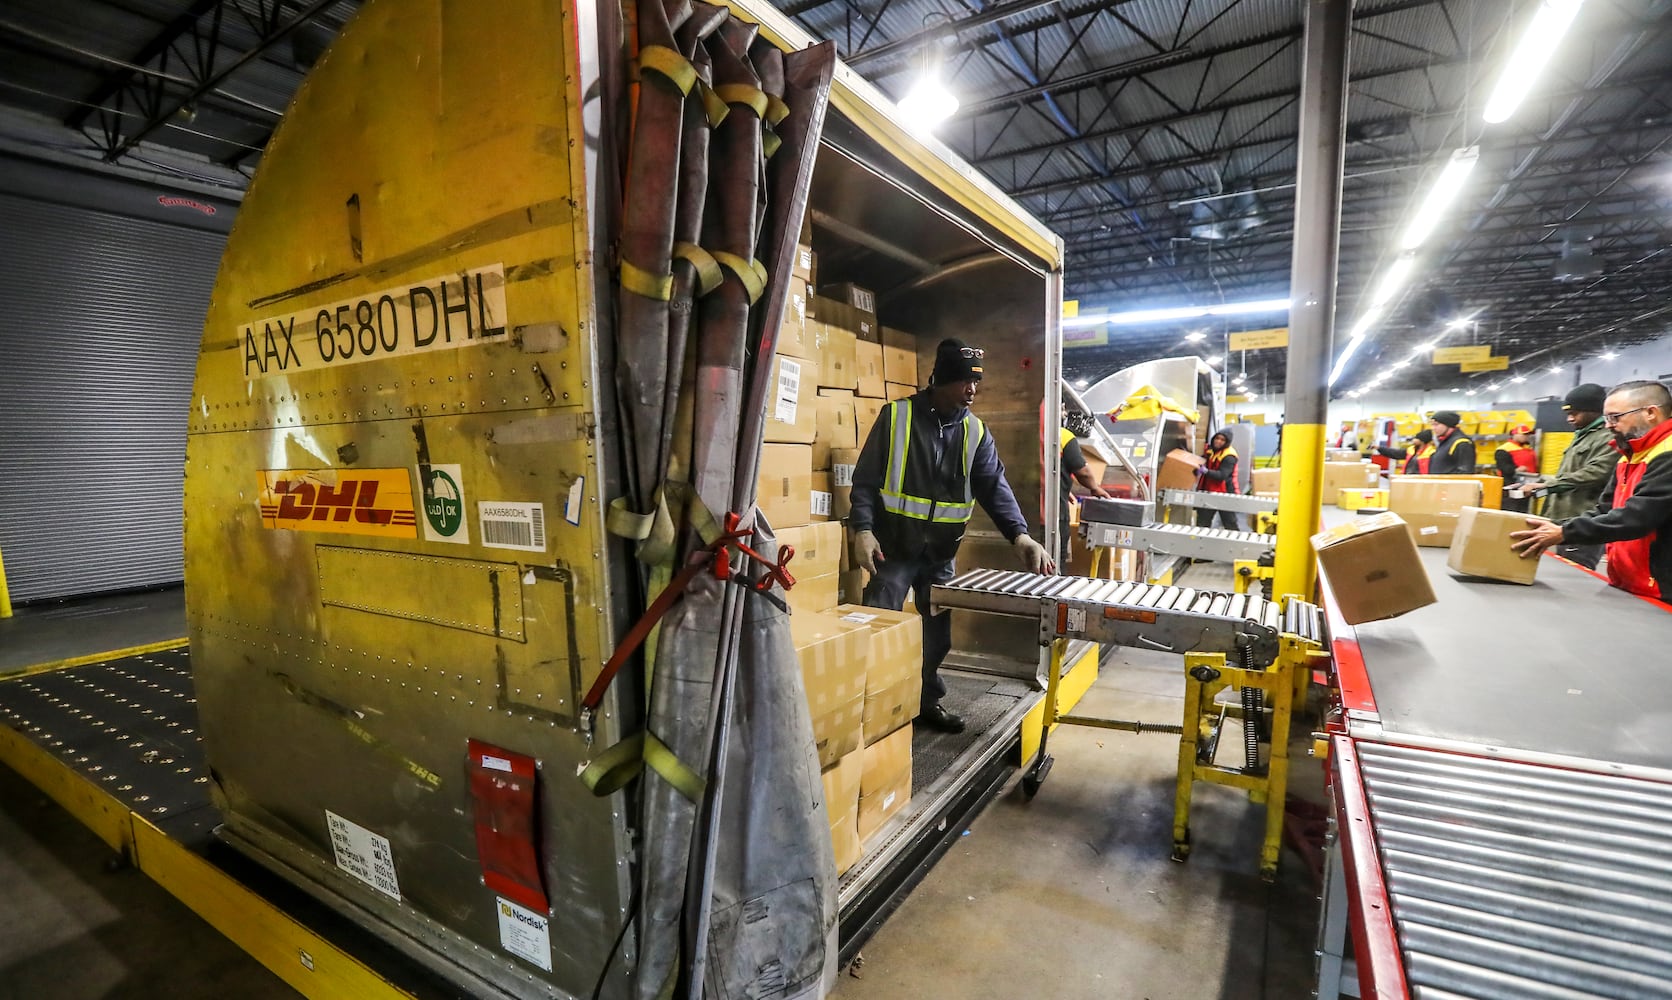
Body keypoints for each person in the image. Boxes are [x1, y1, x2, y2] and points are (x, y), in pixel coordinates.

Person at [850, 338, 1055, 734]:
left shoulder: (975, 433)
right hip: (892, 548)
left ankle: (925, 703)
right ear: (941, 379)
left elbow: (994, 487)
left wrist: (1021, 537)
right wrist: (863, 530)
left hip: (940, 555)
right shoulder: (896, 418)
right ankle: (864, 713)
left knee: (935, 638)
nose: (972, 389)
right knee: (878, 626)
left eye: (976, 381)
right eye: (964, 380)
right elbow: (866, 480)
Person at [1511, 380, 1672, 604]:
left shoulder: (1667, 455)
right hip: (1632, 583)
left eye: (1615, 417)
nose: (1608, 425)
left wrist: (1564, 533)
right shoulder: (1631, 456)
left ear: (1650, 413)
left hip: (1662, 589)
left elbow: (1637, 518)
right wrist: (1559, 527)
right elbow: (1604, 509)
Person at [1520, 383, 1615, 568]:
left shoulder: (1607, 437)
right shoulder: (1584, 434)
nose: (1570, 418)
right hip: (1564, 516)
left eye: (1575, 413)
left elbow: (1597, 472)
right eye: (1568, 413)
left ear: (1595, 411)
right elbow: (1570, 472)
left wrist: (1550, 485)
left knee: (1576, 573)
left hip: (1583, 518)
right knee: (1561, 569)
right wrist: (1542, 485)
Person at [1059, 413, 1111, 565]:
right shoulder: (1063, 435)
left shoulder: (1028, 433)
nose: (1064, 413)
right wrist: (1094, 488)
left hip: (1023, 514)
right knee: (1056, 560)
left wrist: (1061, 488)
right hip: (1053, 516)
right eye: (1063, 408)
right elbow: (1083, 472)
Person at [1195, 430, 1243, 531]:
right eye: (1217, 438)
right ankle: (1200, 542)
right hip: (1210, 491)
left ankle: (1235, 544)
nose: (1218, 441)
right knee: (1203, 521)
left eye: (1222, 440)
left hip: (1225, 493)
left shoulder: (1229, 456)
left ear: (1227, 442)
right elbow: (1203, 459)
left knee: (1229, 522)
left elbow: (1222, 475)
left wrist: (1206, 471)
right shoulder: (1211, 451)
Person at [1495, 424, 1540, 513]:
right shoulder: (1504, 449)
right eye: (1524, 434)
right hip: (1511, 487)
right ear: (1515, 434)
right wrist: (1516, 470)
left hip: (1527, 486)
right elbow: (1503, 467)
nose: (1527, 437)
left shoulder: (1527, 449)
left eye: (1528, 435)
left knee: (1523, 510)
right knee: (1512, 510)